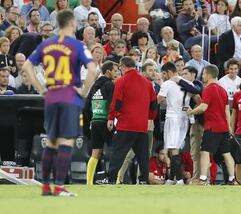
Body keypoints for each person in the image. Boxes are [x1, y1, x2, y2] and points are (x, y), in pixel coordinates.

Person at [22, 9, 97, 196]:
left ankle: (46, 186)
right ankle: (59, 187)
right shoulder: (77, 46)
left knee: (52, 141)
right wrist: (83, 91)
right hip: (70, 97)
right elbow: (93, 69)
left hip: (51, 96)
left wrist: (41, 88)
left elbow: (26, 65)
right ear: (72, 24)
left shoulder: (46, 44)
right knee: (66, 142)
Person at [104, 56, 158, 185]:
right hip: (141, 126)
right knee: (143, 156)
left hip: (125, 124)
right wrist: (150, 117)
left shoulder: (121, 81)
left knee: (118, 153)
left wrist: (112, 117)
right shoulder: (147, 83)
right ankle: (144, 179)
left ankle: (111, 179)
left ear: (123, 66)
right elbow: (154, 103)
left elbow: (116, 102)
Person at [187, 64, 237, 185]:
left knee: (204, 152)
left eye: (203, 74)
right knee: (226, 153)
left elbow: (204, 107)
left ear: (209, 75)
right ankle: (232, 179)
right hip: (224, 127)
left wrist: (191, 111)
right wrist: (229, 127)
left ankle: (203, 179)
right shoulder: (223, 90)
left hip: (212, 127)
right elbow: (226, 111)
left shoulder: (208, 89)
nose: (202, 76)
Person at [157, 62, 198, 185]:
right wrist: (191, 111)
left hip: (172, 118)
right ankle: (170, 179)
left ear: (168, 72)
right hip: (184, 119)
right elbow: (198, 100)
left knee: (173, 149)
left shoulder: (168, 83)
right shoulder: (188, 83)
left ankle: (179, 180)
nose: (163, 76)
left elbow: (157, 100)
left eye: (164, 74)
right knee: (175, 148)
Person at [84, 61, 118, 185]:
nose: (117, 73)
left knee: (96, 152)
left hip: (95, 122)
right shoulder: (110, 85)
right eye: (115, 71)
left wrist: (91, 120)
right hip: (106, 121)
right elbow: (113, 104)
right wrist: (111, 118)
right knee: (117, 150)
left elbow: (86, 107)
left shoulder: (94, 86)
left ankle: (89, 182)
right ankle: (117, 179)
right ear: (108, 71)